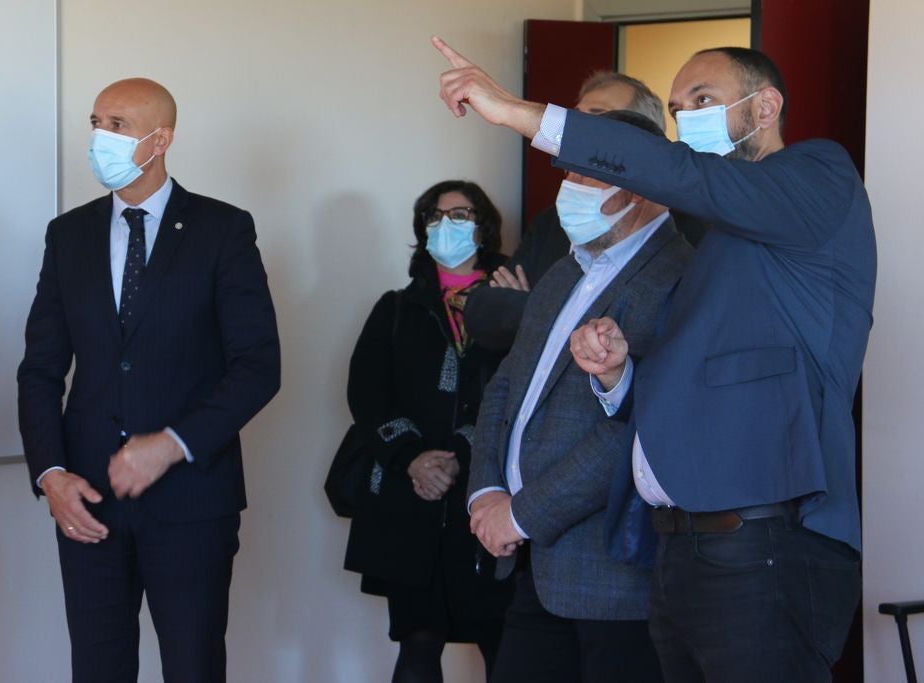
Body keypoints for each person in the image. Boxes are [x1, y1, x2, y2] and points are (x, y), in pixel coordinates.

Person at [434, 37, 875, 681]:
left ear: (765, 107)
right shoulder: (719, 248)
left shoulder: (819, 175)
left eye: (704, 100)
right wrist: (617, 375)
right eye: (676, 108)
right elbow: (676, 394)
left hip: (766, 539)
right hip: (681, 553)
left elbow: (686, 174)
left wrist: (523, 114)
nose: (686, 118)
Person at [17, 78, 280, 683]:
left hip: (192, 502)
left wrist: (172, 444)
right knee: (98, 669)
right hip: (86, 500)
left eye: (116, 124)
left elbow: (259, 365)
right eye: (95, 122)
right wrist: (51, 475)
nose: (98, 138)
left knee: (192, 667)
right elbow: (39, 369)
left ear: (160, 140)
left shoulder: (223, 230)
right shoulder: (69, 235)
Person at [465, 110, 691, 682]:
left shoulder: (679, 276)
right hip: (532, 567)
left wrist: (521, 513)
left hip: (615, 581)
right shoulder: (566, 271)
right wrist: (487, 492)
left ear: (639, 185)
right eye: (569, 175)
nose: (571, 190)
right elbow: (506, 388)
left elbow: (638, 430)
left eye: (588, 176)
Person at [343, 180, 513, 683]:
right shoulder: (397, 307)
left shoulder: (515, 301)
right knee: (418, 641)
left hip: (488, 498)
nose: (446, 226)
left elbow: (518, 392)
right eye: (434, 217)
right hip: (409, 504)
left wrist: (459, 452)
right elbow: (367, 395)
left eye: (460, 215)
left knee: (502, 641)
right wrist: (414, 458)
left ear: (483, 227)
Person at [464, 72, 707, 350]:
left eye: (598, 118)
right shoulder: (553, 220)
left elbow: (647, 338)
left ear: (641, 136)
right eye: (576, 118)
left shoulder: (686, 229)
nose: (577, 131)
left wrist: (534, 308)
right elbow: (481, 312)